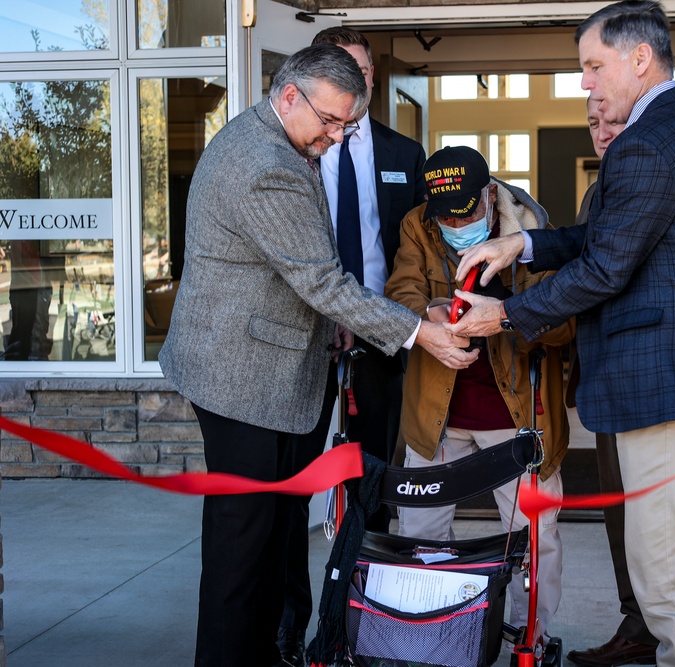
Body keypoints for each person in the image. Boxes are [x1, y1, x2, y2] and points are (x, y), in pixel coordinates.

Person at [447, 2, 675, 665]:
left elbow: (605, 266)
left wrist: (506, 315)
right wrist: (523, 243)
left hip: (666, 389)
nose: (586, 84)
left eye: (593, 66)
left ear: (640, 58)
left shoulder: (644, 143)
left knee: (666, 575)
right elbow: (610, 236)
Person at [158, 44, 476, 667]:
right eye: (329, 122)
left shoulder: (281, 138)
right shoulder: (265, 164)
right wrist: (418, 331)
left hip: (268, 367)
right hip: (243, 379)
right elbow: (321, 281)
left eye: (346, 126)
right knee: (240, 551)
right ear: (288, 96)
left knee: (269, 541)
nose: (336, 137)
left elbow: (296, 276)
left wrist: (368, 320)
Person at [275, 27, 428, 667]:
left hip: (381, 336)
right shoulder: (295, 151)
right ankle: (293, 624)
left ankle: (366, 609)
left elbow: (418, 246)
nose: (356, 85)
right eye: (342, 74)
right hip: (304, 340)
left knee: (375, 481)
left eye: (362, 73)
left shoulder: (403, 151)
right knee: (294, 484)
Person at [384, 145, 572, 646]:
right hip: (437, 414)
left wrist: (504, 313)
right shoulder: (416, 225)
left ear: (490, 194)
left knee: (534, 537)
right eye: (444, 213)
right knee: (421, 535)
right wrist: (431, 316)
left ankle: (530, 639)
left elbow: (565, 324)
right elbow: (400, 290)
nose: (454, 221)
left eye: (465, 210)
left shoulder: (534, 230)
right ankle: (431, 638)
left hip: (516, 415)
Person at [565, 96, 657, 667]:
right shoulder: (600, 187)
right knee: (620, 511)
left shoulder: (643, 174)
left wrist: (510, 313)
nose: (602, 132)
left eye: (613, 120)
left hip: (644, 378)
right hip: (609, 375)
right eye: (594, 123)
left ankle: (654, 626)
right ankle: (638, 621)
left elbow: (600, 274)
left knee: (648, 519)